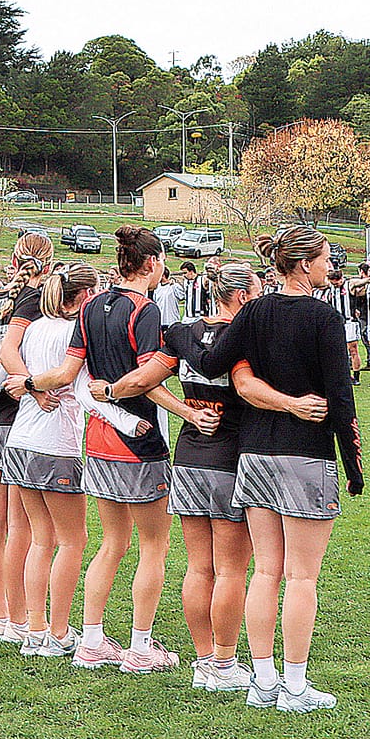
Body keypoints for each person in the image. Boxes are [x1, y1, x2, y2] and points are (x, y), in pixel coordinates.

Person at [204, 223, 361, 713]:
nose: (331, 266)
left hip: (254, 453)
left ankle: (263, 680)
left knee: (265, 572)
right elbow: (341, 395)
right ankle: (294, 686)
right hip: (305, 455)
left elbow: (211, 362)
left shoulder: (252, 311)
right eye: (326, 257)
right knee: (301, 578)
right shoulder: (323, 317)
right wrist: (353, 464)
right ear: (303, 264)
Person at [74, 225, 212, 673]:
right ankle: (139, 647)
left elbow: (75, 372)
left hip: (98, 437)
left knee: (111, 543)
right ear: (152, 263)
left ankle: (91, 640)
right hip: (138, 439)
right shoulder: (146, 310)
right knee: (154, 545)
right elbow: (148, 379)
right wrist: (188, 413)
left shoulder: (91, 305)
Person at [164, 261, 258, 692]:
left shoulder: (183, 333)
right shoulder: (244, 338)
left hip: (188, 456)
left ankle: (205, 660)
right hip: (229, 457)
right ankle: (222, 663)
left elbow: (143, 380)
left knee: (198, 567)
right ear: (240, 297)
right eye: (255, 294)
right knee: (231, 570)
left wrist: (185, 411)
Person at [3, 261, 100, 658]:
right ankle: (57, 631)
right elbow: (69, 377)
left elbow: (15, 365)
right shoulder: (75, 333)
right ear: (82, 296)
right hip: (56, 442)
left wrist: (29, 388)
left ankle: (35, 627)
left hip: (21, 439)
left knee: (41, 539)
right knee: (73, 540)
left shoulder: (37, 327)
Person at [0, 231, 55, 642]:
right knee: (19, 526)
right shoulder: (35, 300)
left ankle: (1, 617)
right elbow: (11, 353)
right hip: (17, 415)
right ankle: (18, 618)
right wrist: (30, 384)